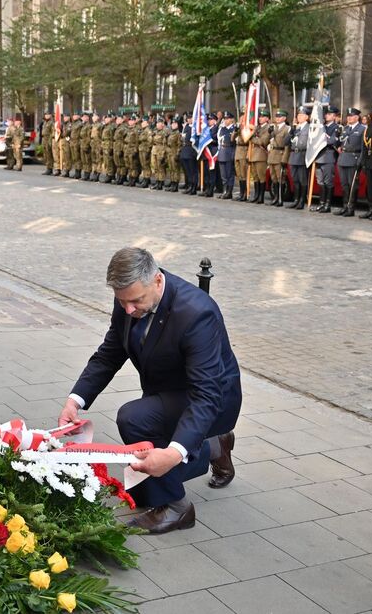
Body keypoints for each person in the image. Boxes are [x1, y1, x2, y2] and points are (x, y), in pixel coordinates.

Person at [58, 247, 241, 534]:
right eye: (122, 301)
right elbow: (110, 353)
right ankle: (214, 446)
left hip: (213, 398)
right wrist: (75, 401)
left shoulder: (196, 313)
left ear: (157, 281)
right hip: (171, 392)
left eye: (135, 301)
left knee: (134, 419)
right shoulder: (129, 296)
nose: (128, 310)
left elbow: (206, 394)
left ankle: (178, 508)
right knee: (142, 487)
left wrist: (174, 453)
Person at [335, 107, 365, 217]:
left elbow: (363, 147)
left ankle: (351, 208)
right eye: (348, 116)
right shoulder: (345, 128)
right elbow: (341, 142)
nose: (349, 118)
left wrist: (360, 161)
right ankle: (345, 206)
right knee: (344, 185)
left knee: (352, 185)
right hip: (343, 158)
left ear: (357, 117)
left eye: (351, 116)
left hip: (354, 158)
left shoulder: (362, 129)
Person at [311, 105, 341, 213]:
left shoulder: (336, 128)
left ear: (334, 116)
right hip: (319, 156)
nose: (326, 116)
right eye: (326, 114)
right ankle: (321, 203)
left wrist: (321, 141)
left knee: (328, 181)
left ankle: (328, 205)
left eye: (329, 114)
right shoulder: (321, 127)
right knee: (320, 181)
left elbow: (332, 141)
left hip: (328, 156)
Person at [287, 107, 311, 209]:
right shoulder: (295, 128)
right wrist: (292, 130)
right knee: (295, 179)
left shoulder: (309, 128)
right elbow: (286, 142)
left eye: (301, 115)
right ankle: (296, 200)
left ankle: (302, 200)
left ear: (306, 117)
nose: (299, 117)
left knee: (302, 180)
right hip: (293, 155)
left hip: (302, 155)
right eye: (298, 115)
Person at [267, 110, 291, 207]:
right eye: (276, 116)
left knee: (281, 178)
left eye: (280, 116)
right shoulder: (273, 128)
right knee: (273, 178)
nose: (277, 118)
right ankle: (276, 198)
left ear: (284, 118)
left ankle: (280, 199)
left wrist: (284, 159)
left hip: (280, 154)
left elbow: (287, 146)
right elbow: (270, 141)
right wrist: (270, 133)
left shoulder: (287, 129)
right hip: (272, 155)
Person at [247, 108, 270, 204]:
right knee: (255, 177)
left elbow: (262, 141)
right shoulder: (257, 128)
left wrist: (251, 138)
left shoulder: (268, 128)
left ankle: (261, 197)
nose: (260, 118)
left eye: (263, 117)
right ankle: (256, 195)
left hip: (261, 155)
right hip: (253, 154)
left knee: (261, 177)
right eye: (260, 116)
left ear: (267, 118)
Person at [216, 111, 236, 199]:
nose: (226, 120)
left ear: (231, 119)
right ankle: (224, 191)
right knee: (223, 175)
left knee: (229, 174)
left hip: (229, 151)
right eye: (225, 119)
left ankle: (229, 192)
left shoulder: (234, 129)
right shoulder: (221, 129)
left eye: (227, 119)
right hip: (222, 152)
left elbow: (234, 142)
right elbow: (219, 142)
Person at [180, 112, 197, 194]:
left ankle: (194, 187)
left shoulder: (195, 127)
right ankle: (189, 185)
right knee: (188, 171)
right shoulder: (186, 127)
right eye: (188, 118)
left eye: (191, 118)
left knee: (193, 170)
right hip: (185, 150)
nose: (189, 119)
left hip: (191, 150)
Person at [41, 111, 55, 176]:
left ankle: (50, 169)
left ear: (50, 116)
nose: (46, 116)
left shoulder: (51, 123)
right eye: (46, 115)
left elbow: (52, 132)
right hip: (44, 139)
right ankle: (47, 167)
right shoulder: (45, 122)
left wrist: (50, 141)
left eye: (48, 115)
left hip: (48, 139)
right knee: (46, 155)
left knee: (49, 155)